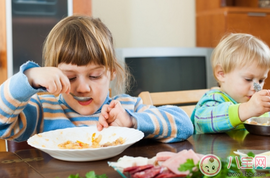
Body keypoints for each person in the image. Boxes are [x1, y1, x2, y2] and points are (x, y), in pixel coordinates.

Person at [0, 15, 193, 143]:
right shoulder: (42, 111)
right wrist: (29, 77)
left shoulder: (125, 108)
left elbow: (185, 125)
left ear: (111, 73)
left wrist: (132, 122)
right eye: (70, 77)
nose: (83, 88)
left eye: (94, 76)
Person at [191, 33, 270, 134]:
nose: (256, 87)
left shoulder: (256, 104)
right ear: (222, 74)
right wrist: (247, 109)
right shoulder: (214, 98)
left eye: (261, 80)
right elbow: (202, 122)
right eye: (248, 79)